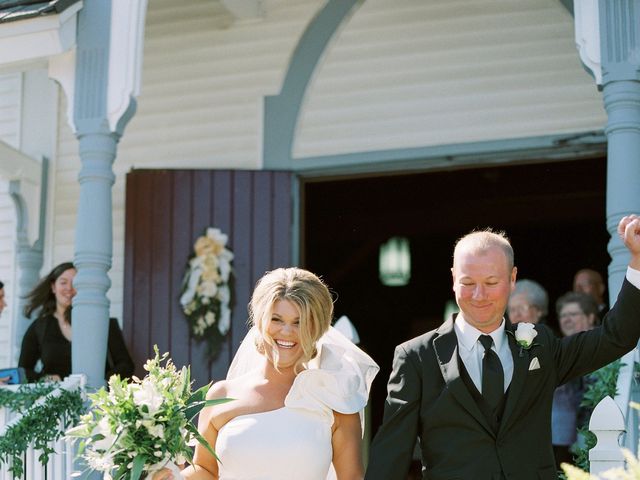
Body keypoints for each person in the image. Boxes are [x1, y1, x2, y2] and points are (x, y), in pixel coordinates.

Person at [365, 215, 640, 480]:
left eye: (491, 283)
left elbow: (616, 337)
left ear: (511, 278)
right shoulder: (416, 357)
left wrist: (637, 262)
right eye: (468, 283)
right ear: (452, 279)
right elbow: (391, 453)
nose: (479, 295)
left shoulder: (541, 347)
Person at [155, 267, 379, 480]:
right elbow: (206, 470)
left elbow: (351, 478)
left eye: (300, 323)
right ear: (260, 321)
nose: (287, 331)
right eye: (276, 319)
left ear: (317, 329)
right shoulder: (220, 395)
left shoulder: (335, 400)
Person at [18, 262, 134, 382]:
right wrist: (44, 379)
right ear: (53, 287)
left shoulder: (103, 323)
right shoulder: (39, 327)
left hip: (97, 397)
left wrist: (100, 383)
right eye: (63, 282)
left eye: (75, 283)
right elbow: (23, 371)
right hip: (55, 398)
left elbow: (126, 366)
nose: (69, 288)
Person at [551, 292, 599, 470]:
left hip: (599, 433)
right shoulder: (560, 349)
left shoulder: (602, 345)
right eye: (563, 315)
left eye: (573, 314)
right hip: (565, 438)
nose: (567, 320)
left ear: (590, 317)